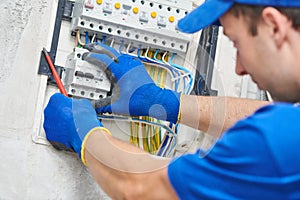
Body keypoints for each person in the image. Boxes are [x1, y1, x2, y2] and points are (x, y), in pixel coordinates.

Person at [43, 0, 300, 199]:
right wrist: (165, 101)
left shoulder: (278, 145)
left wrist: (84, 133)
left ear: (274, 27)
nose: (239, 68)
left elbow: (140, 188)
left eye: (237, 43)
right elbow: (274, 120)